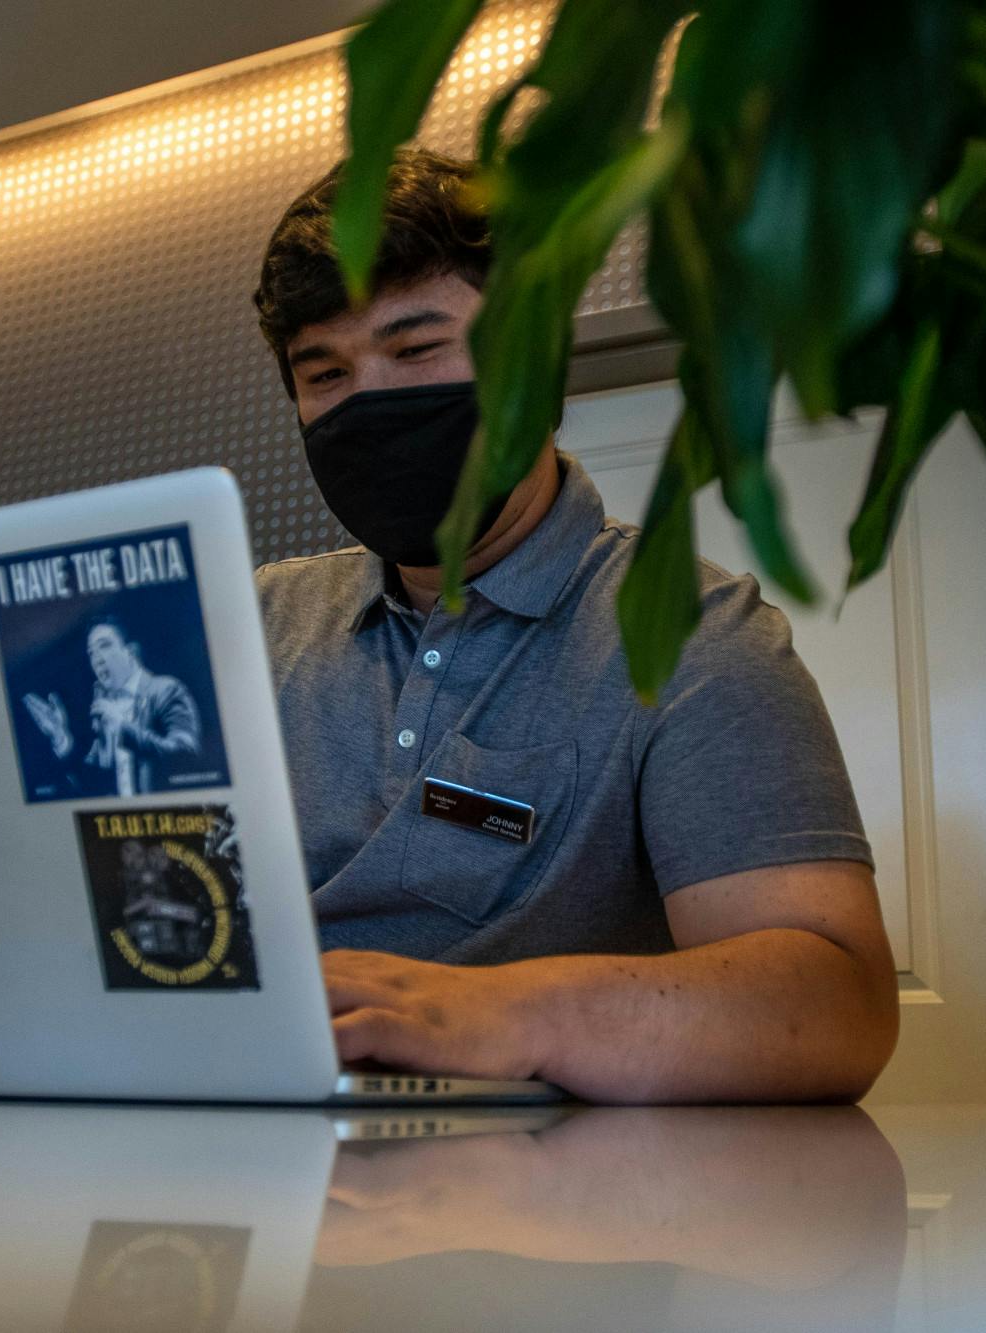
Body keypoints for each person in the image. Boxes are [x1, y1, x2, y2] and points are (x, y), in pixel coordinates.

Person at [250, 149, 897, 1104]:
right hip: (239, 1186)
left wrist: (507, 1014)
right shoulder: (249, 623)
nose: (370, 399)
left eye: (418, 349)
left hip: (541, 1206)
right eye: (325, 371)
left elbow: (838, 1003)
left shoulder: (692, 638)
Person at [24, 619, 203, 796]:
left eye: (105, 646)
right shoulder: (104, 708)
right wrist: (61, 737)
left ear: (131, 651)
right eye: (92, 653)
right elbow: (92, 783)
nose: (97, 660)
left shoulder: (166, 689)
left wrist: (122, 728)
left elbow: (185, 754)